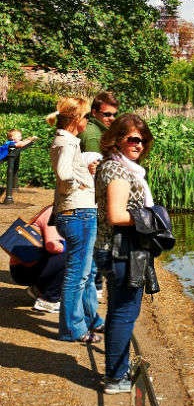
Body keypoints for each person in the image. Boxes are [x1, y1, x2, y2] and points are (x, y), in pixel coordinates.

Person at [95, 113, 155, 394]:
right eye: (133, 139)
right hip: (121, 251)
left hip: (115, 249)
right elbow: (117, 215)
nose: (139, 144)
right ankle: (116, 378)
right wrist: (152, 218)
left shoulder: (116, 166)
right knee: (124, 313)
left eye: (143, 140)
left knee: (118, 311)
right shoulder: (118, 171)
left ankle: (115, 370)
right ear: (117, 138)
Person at [47, 97, 103, 344]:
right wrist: (80, 182)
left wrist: (84, 169)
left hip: (77, 211)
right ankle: (72, 329)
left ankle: (85, 321)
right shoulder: (66, 142)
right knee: (77, 275)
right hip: (77, 212)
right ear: (75, 119)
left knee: (83, 273)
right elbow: (63, 173)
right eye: (86, 117)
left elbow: (69, 169)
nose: (88, 121)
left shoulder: (68, 141)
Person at [79, 92, 117, 296]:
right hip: (92, 198)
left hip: (89, 197)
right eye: (107, 114)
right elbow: (93, 170)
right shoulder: (94, 135)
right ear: (94, 112)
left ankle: (95, 284)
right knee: (95, 243)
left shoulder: (96, 130)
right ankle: (95, 286)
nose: (112, 118)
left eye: (114, 114)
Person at [8, 205, 67, 313]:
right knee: (72, 255)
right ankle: (48, 300)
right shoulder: (53, 212)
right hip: (24, 268)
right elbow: (53, 246)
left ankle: (39, 289)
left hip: (28, 264)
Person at [1, 129, 39, 204]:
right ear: (12, 138)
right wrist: (31, 139)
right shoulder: (11, 143)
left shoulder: (11, 142)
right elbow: (21, 144)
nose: (21, 137)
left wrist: (28, 139)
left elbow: (22, 142)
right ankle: (8, 197)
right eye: (19, 136)